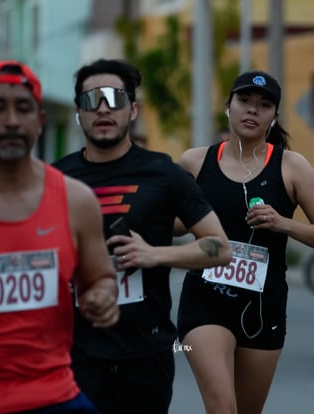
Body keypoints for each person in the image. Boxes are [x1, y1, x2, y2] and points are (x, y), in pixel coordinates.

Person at [52, 58, 232, 414]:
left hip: (145, 352)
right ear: (78, 112)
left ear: (133, 109)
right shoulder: (55, 179)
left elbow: (221, 249)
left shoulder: (163, 173)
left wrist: (155, 254)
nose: (103, 108)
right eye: (91, 100)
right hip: (73, 353)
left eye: (115, 98)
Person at [176, 70, 314, 414]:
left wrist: (283, 224)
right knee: (223, 407)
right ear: (228, 107)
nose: (252, 110)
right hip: (202, 305)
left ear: (274, 116)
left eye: (264, 104)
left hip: (262, 308)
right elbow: (172, 225)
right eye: (244, 101)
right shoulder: (194, 162)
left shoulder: (292, 167)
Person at [0, 60, 120, 414]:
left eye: (23, 108)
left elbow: (100, 277)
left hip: (55, 396)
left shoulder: (76, 200)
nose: (11, 120)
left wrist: (102, 296)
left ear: (39, 122)